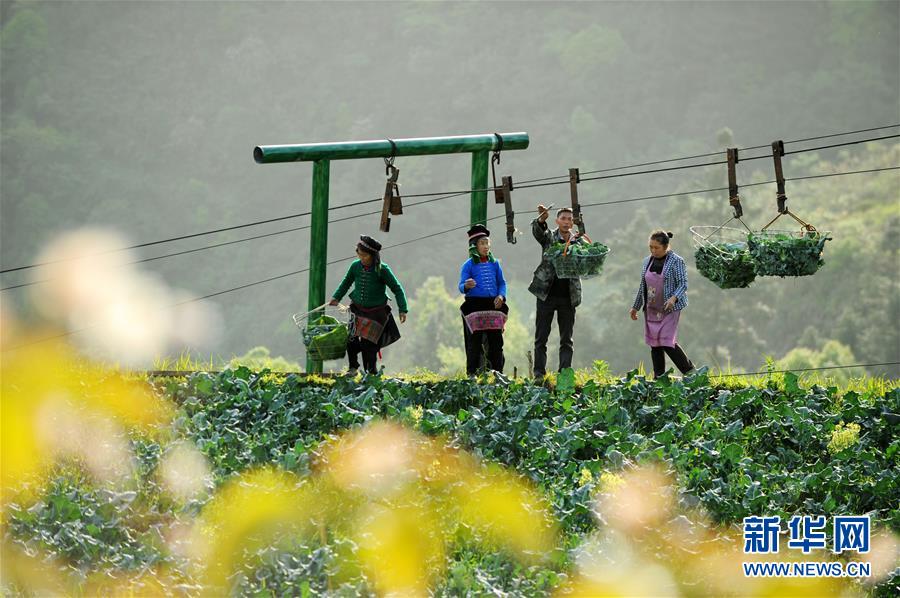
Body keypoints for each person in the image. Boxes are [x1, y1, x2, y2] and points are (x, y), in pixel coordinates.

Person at [329, 235, 408, 374]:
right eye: (359, 254)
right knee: (350, 340)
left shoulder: (382, 269)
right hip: (357, 309)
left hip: (376, 313)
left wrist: (403, 309)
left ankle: (370, 374)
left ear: (373, 255)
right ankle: (353, 368)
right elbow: (346, 282)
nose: (361, 258)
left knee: (368, 345)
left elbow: (397, 288)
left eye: (364, 255)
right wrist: (336, 297)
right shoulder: (355, 266)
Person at [528, 205, 587, 379]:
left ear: (573, 222)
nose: (566, 222)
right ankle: (539, 374)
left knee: (566, 339)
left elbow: (587, 256)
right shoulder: (549, 238)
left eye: (570, 219)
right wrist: (541, 219)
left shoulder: (578, 241)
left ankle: (564, 375)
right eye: (563, 219)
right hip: (546, 294)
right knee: (541, 337)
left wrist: (581, 226)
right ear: (557, 221)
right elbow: (538, 232)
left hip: (568, 296)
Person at [629, 230, 695, 378]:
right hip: (652, 308)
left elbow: (683, 284)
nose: (653, 250)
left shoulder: (676, 261)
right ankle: (659, 377)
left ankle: (690, 372)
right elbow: (643, 286)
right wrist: (635, 307)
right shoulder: (647, 261)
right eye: (651, 247)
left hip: (669, 308)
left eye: (656, 247)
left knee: (666, 341)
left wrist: (673, 298)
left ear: (666, 246)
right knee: (655, 344)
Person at [458, 224, 508, 375]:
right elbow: (461, 286)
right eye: (482, 243)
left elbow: (502, 283)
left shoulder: (495, 264)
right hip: (475, 306)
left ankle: (497, 373)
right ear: (475, 246)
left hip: (493, 305)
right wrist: (466, 286)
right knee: (474, 342)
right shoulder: (468, 265)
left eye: (487, 243)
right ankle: (472, 373)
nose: (486, 246)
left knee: (496, 341)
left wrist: (501, 296)